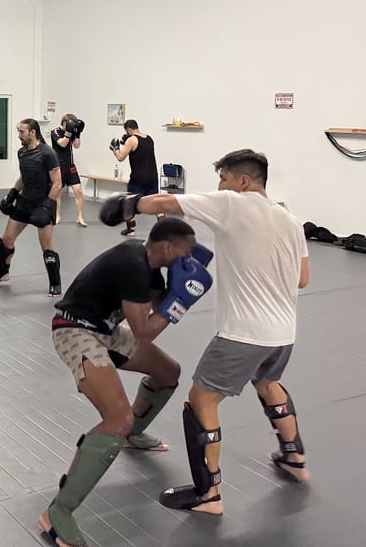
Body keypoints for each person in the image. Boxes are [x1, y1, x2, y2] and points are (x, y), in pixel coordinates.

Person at [99, 148, 311, 516]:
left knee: (201, 400)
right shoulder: (290, 220)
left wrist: (128, 205)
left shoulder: (232, 203)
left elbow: (167, 202)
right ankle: (294, 457)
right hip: (283, 333)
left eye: (224, 178)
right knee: (268, 384)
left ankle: (208, 493)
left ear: (243, 181)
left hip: (243, 333)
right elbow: (302, 279)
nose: (220, 186)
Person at [39, 219, 213, 547]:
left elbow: (154, 311)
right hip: (73, 330)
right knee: (117, 419)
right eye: (186, 251)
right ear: (167, 247)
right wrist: (180, 301)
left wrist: (174, 292)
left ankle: (133, 435)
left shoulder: (152, 266)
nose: (189, 258)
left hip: (103, 329)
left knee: (169, 372)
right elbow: (145, 331)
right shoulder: (132, 264)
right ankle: (58, 511)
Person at [0, 119, 64, 297]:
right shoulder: (22, 152)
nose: (19, 135)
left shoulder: (47, 153)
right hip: (25, 201)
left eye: (22, 132)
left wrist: (46, 206)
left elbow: (58, 183)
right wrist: (12, 194)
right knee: (6, 239)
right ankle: (3, 273)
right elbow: (23, 177)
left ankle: (55, 283)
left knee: (46, 246)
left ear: (33, 132)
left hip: (43, 202)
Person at [108, 119, 158, 237]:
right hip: (153, 176)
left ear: (129, 130)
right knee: (156, 203)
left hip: (138, 178)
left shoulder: (131, 140)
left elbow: (120, 157)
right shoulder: (149, 138)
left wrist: (115, 149)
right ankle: (165, 228)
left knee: (128, 203)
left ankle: (131, 230)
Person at [50, 113, 88, 227]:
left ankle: (80, 217)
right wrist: (69, 132)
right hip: (58, 166)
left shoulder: (72, 131)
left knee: (79, 191)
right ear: (64, 123)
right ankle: (57, 216)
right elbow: (62, 144)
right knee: (58, 193)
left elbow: (76, 145)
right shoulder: (55, 131)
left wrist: (78, 133)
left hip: (70, 165)